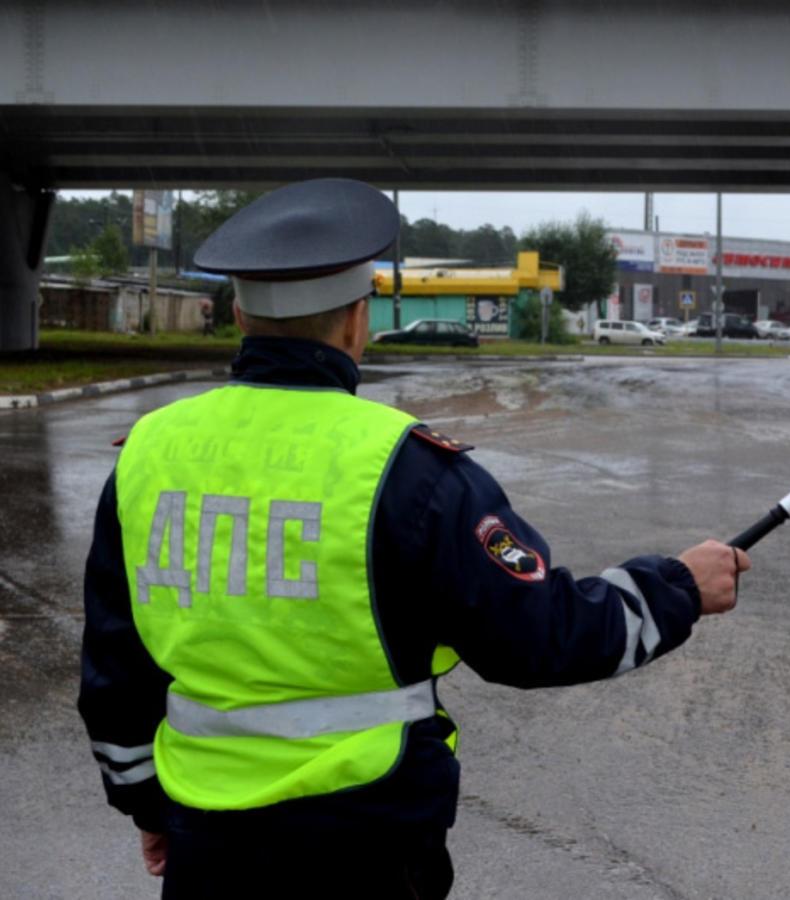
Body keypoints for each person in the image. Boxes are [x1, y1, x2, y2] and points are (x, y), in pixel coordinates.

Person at [78, 178, 749, 898]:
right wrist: (677, 588)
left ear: (238, 313)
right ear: (354, 323)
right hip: (368, 845)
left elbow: (116, 666)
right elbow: (537, 634)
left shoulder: (150, 453)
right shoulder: (406, 468)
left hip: (205, 846)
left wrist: (148, 805)